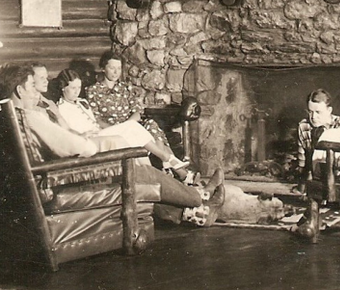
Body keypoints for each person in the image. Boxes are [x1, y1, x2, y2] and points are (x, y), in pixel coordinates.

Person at [0, 63, 225, 227]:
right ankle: (199, 197)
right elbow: (79, 147)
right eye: (32, 85)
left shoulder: (11, 116)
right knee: (140, 170)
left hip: (57, 174)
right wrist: (94, 144)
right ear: (20, 90)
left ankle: (195, 213)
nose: (37, 91)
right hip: (69, 173)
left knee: (136, 172)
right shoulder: (31, 117)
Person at [55, 68, 193, 180]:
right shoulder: (61, 108)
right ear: (63, 88)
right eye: (73, 88)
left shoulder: (82, 102)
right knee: (131, 126)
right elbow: (67, 133)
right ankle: (165, 157)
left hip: (98, 132)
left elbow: (94, 120)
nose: (77, 91)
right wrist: (82, 134)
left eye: (78, 87)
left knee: (134, 133)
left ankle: (154, 174)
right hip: (89, 140)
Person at [85, 52, 191, 176]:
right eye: (112, 68)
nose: (116, 72)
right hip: (111, 129)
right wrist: (123, 128)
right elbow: (97, 119)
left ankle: (167, 164)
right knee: (136, 129)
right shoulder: (93, 91)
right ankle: (179, 170)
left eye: (119, 68)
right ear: (103, 68)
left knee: (151, 123)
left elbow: (137, 112)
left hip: (131, 125)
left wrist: (129, 125)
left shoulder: (125, 88)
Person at [293, 88, 340, 194]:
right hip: (317, 172)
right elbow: (302, 159)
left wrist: (330, 133)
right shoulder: (304, 126)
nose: (313, 117)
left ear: (329, 110)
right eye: (310, 112)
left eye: (318, 112)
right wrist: (303, 179)